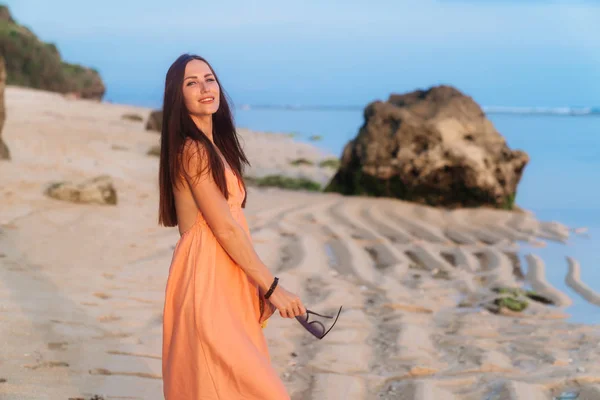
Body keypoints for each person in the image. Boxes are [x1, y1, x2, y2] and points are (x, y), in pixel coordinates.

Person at [157, 53, 306, 399]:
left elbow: (234, 229)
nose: (204, 88)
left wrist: (253, 285)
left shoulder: (214, 147)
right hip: (206, 282)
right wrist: (272, 287)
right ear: (178, 97)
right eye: (191, 83)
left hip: (228, 277)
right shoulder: (193, 151)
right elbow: (223, 229)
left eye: (209, 78)